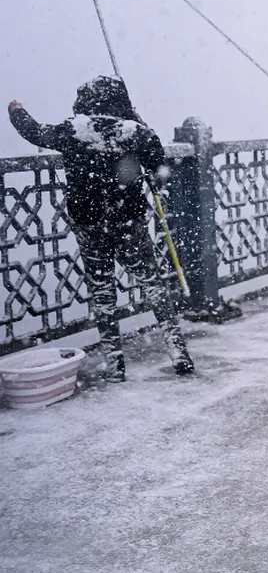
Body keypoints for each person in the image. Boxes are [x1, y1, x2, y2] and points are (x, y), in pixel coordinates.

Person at [8, 76, 194, 382]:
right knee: (153, 286)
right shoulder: (135, 132)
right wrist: (137, 120)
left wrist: (16, 110)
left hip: (89, 224)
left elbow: (34, 132)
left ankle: (115, 363)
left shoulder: (73, 129)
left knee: (103, 293)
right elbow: (159, 166)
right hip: (128, 223)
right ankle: (178, 352)